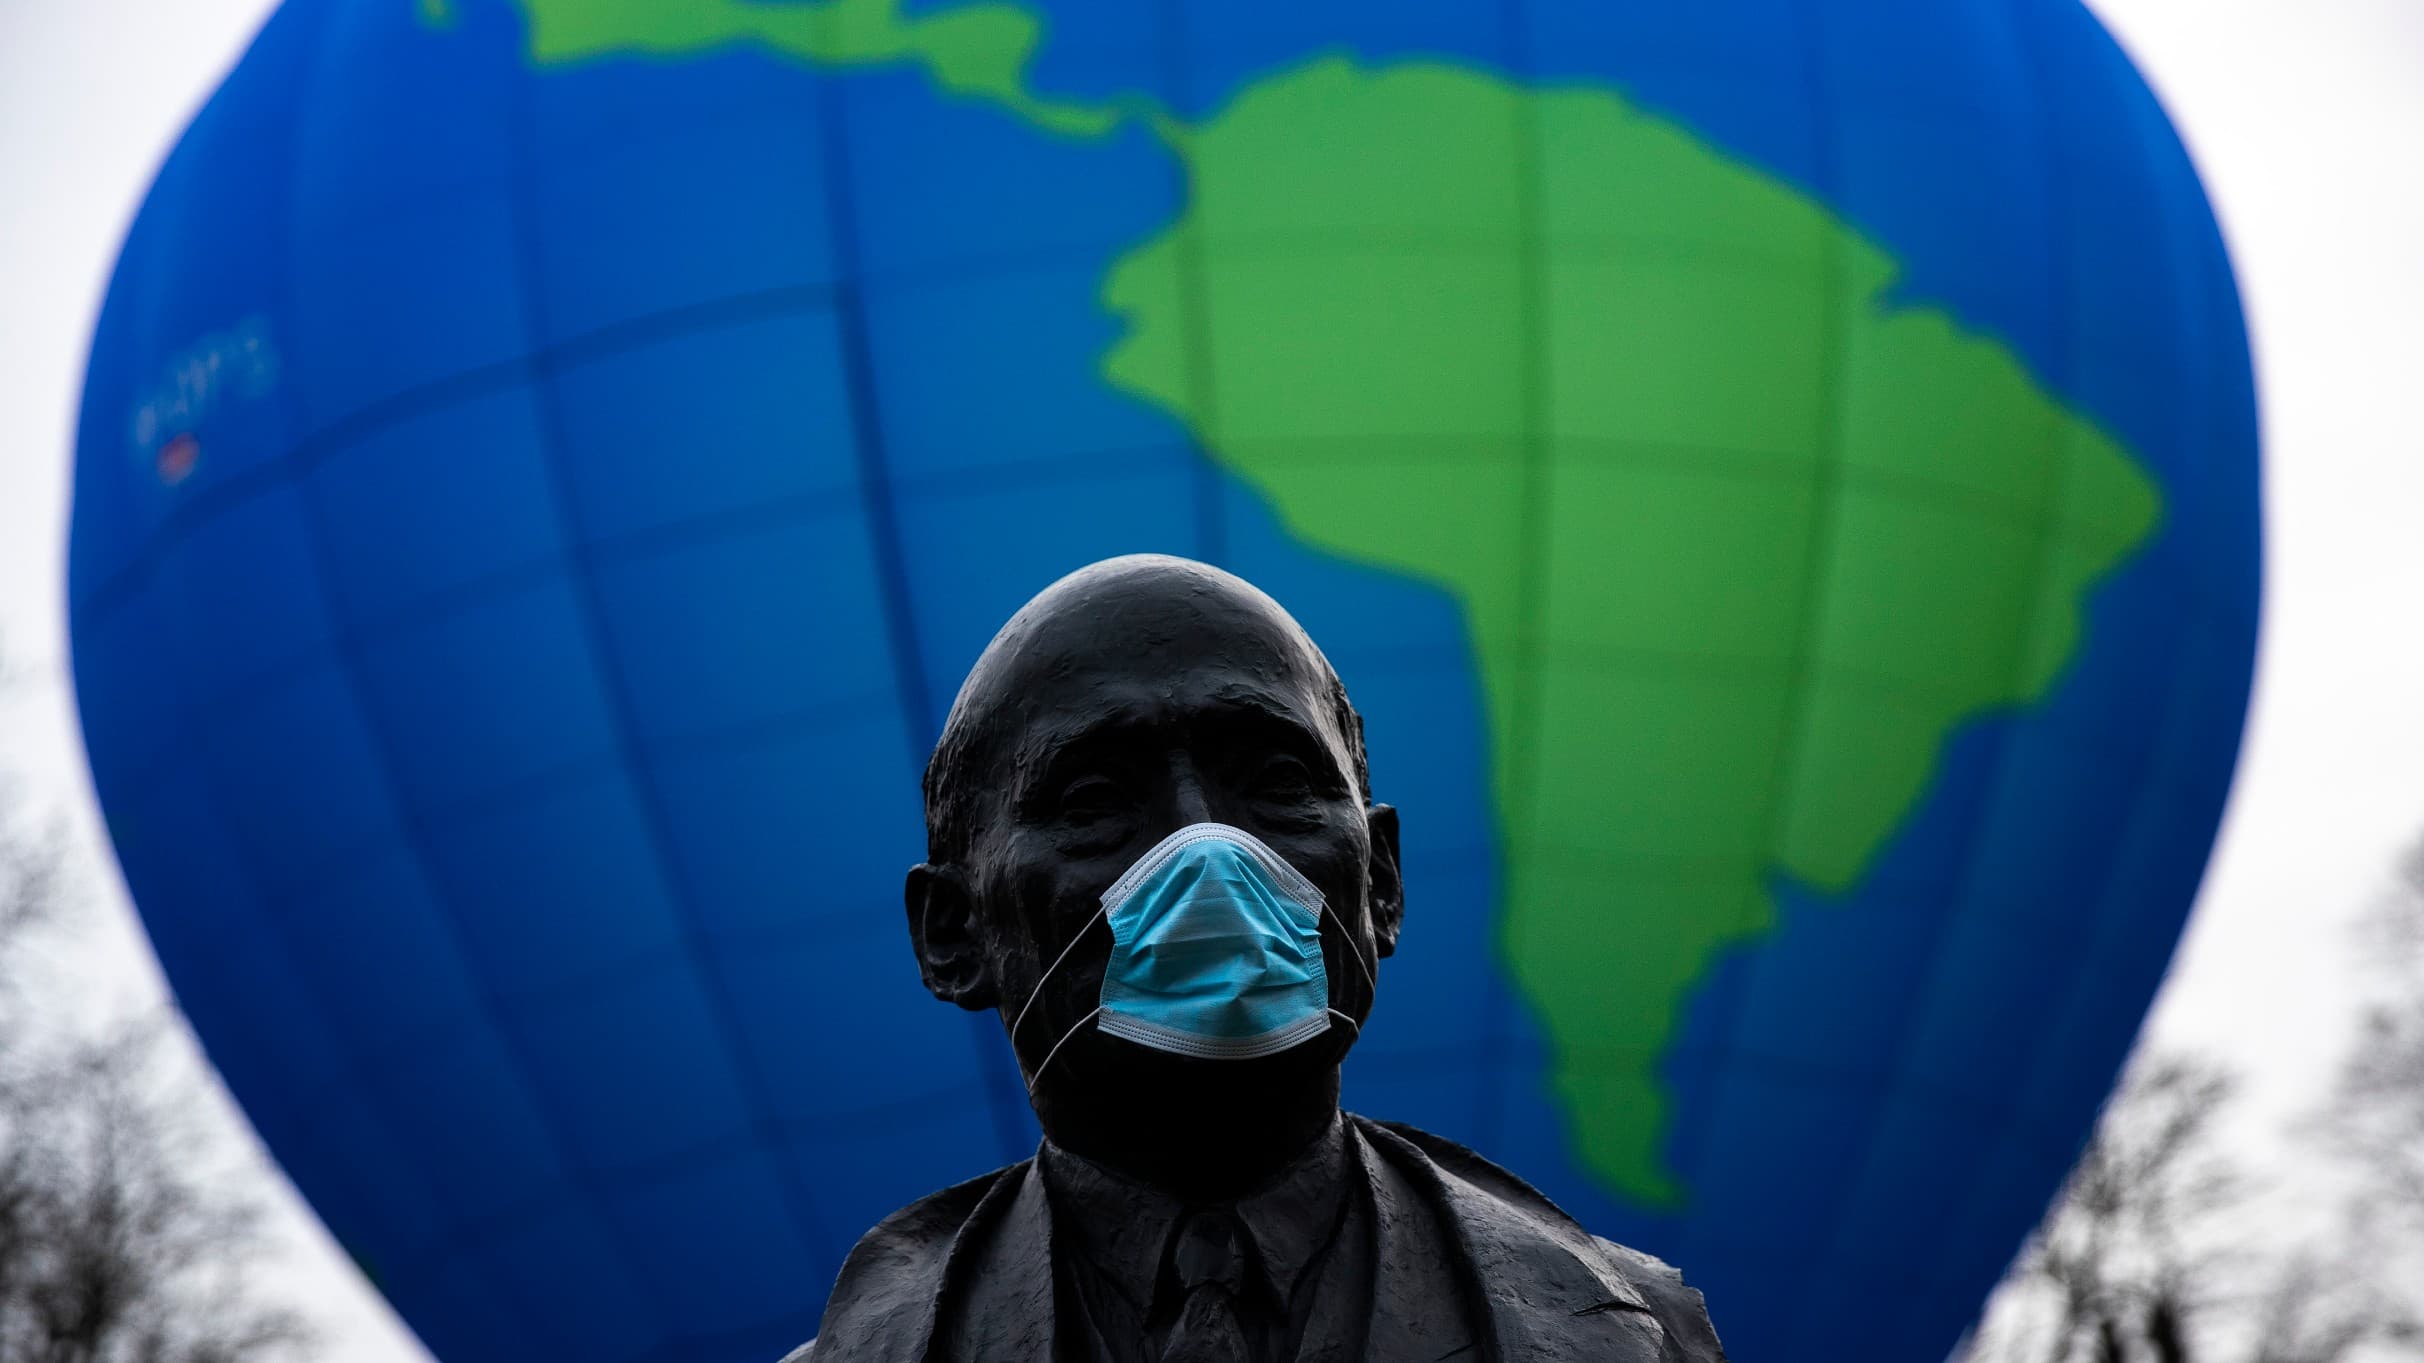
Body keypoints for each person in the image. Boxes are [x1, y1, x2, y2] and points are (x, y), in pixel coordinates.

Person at [786, 554, 1727, 1362]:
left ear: (1383, 880)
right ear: (952, 932)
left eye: (1277, 782)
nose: (1208, 849)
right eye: (1094, 801)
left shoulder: (1643, 1334)